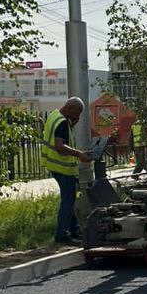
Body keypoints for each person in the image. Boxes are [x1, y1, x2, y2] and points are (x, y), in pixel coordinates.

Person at [41, 97, 91, 245]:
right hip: (63, 168)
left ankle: (74, 230)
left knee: (70, 199)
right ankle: (62, 235)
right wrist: (79, 154)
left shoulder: (54, 115)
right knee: (68, 201)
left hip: (55, 166)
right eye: (78, 112)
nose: (79, 116)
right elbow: (60, 146)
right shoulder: (62, 122)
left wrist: (72, 124)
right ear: (70, 108)